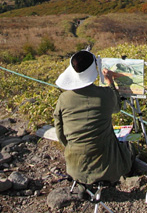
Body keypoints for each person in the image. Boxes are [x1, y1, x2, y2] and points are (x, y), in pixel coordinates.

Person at [53, 50, 133, 185]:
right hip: (107, 166)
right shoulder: (105, 94)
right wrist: (110, 82)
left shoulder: (63, 98)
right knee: (127, 148)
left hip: (74, 165)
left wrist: (73, 146)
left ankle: (83, 185)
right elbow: (116, 108)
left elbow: (60, 133)